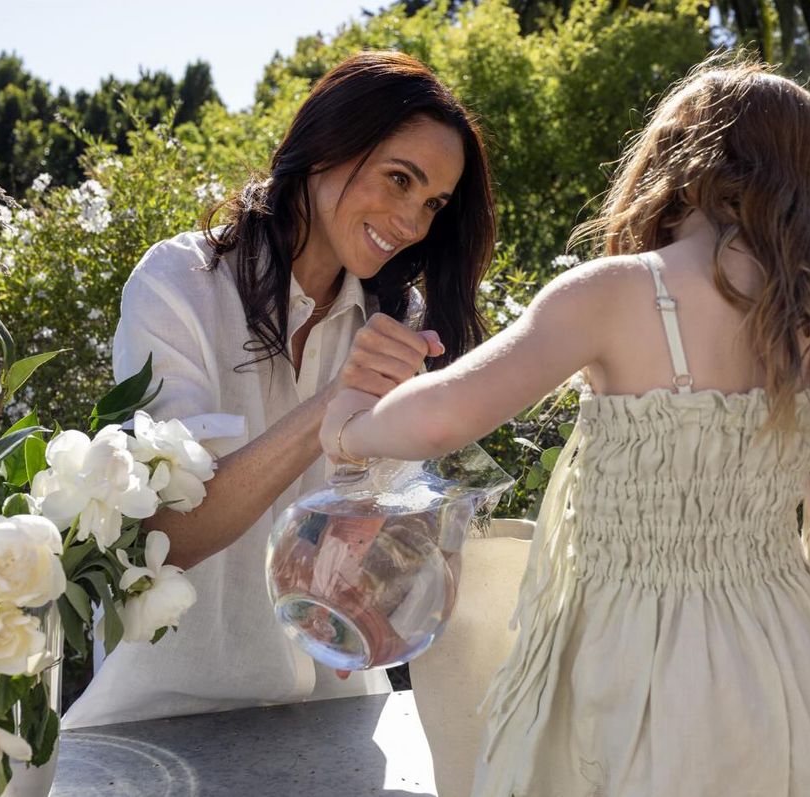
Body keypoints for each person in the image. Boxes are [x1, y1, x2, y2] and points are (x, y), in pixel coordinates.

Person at [319, 54, 810, 796]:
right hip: (785, 674)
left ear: (675, 164)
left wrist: (346, 426)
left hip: (632, 666)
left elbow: (443, 416)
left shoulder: (615, 295)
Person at [62, 51, 496, 728]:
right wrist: (336, 403)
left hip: (341, 716)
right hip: (162, 718)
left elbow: (388, 543)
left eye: (433, 202)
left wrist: (419, 550)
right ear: (328, 146)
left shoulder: (399, 324)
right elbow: (166, 536)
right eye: (399, 179)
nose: (412, 223)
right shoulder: (178, 285)